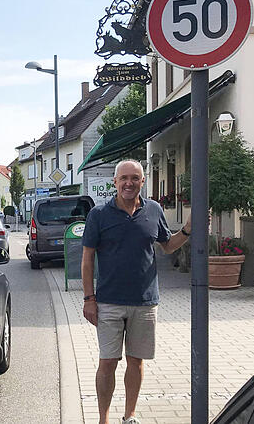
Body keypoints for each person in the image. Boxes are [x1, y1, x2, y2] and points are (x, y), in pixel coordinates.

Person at [81, 159, 191, 424]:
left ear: (143, 182)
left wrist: (188, 229)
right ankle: (103, 419)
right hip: (108, 302)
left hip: (145, 302)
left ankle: (130, 415)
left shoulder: (154, 210)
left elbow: (167, 245)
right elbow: (87, 260)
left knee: (136, 361)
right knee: (108, 362)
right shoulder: (98, 214)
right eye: (124, 178)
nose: (129, 183)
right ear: (115, 183)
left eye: (135, 178)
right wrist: (89, 299)